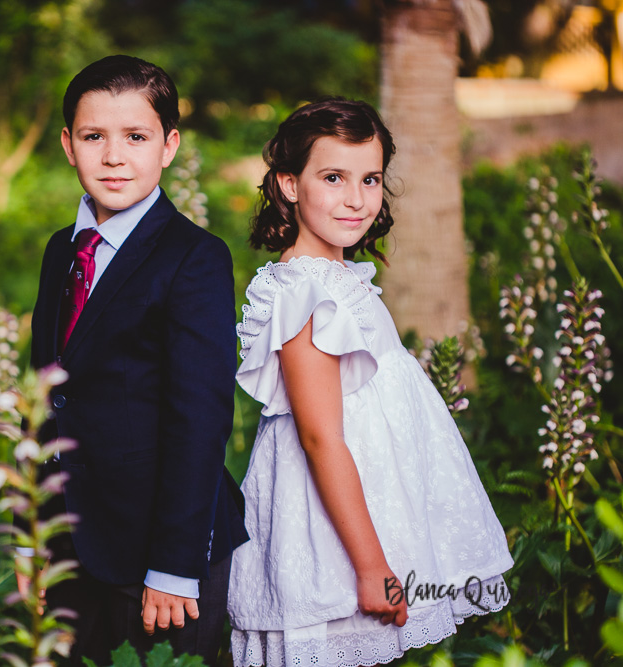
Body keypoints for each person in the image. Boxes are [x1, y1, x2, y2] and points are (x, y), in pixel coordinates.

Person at [227, 98, 513, 667]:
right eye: (332, 178)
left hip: (378, 509)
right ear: (289, 184)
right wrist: (370, 565)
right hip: (337, 539)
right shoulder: (305, 295)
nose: (355, 198)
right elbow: (320, 438)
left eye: (370, 179)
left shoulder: (338, 277)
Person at [28, 54, 249, 666]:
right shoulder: (60, 251)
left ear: (169, 146)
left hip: (161, 555)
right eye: (95, 136)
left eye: (136, 137)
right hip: (71, 544)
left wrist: (175, 567)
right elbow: (45, 401)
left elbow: (200, 419)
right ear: (69, 145)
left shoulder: (194, 257)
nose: (114, 156)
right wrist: (33, 542)